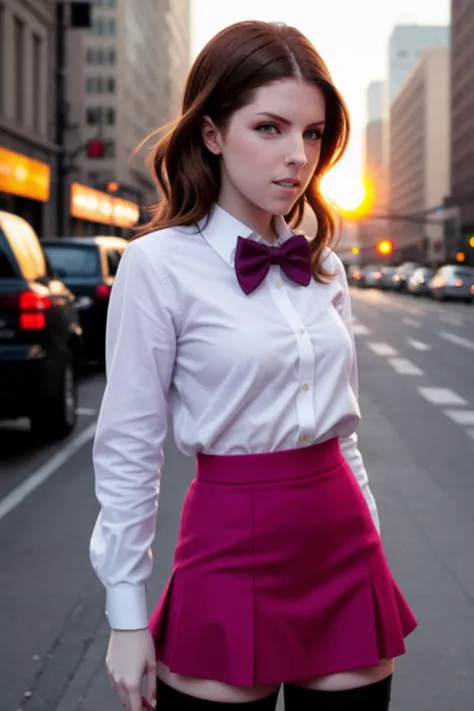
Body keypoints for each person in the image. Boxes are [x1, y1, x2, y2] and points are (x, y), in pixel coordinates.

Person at [90, 20, 417, 711]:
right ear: (211, 133)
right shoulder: (157, 264)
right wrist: (125, 610)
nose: (297, 156)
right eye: (269, 127)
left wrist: (373, 548)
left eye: (312, 133)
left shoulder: (324, 264)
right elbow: (128, 444)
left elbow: (345, 430)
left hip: (342, 540)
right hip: (227, 542)